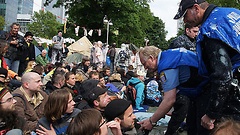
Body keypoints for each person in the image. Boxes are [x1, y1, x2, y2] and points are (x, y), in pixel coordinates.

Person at [174, 0, 240, 133]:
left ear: (196, 8)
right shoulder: (233, 13)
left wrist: (211, 114)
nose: (185, 21)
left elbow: (223, 76)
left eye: (185, 15)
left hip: (234, 93)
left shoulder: (211, 28)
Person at [138, 46, 207, 134]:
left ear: (151, 58)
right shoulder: (170, 54)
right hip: (202, 85)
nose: (145, 68)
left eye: (144, 64)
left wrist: (151, 121)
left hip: (206, 90)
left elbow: (169, 99)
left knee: (198, 128)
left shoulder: (166, 66)